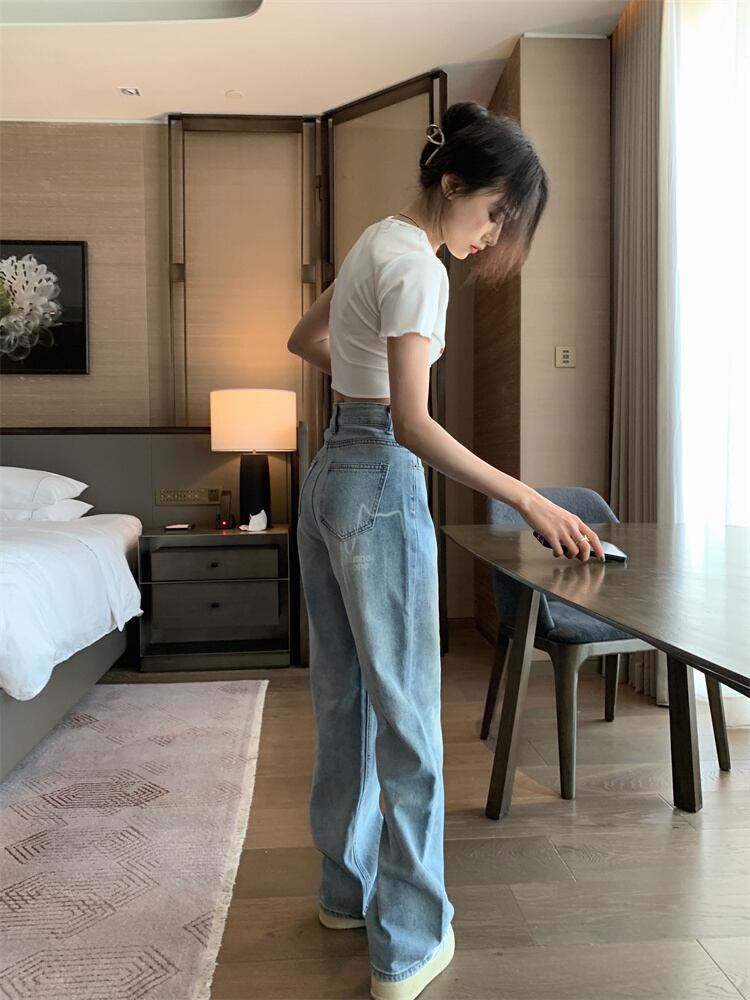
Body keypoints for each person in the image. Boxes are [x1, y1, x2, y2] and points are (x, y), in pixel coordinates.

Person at [288, 101, 605, 1000]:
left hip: (328, 477)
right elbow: (416, 427)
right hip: (381, 483)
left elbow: (303, 339)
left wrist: (367, 389)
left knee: (346, 700)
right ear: (453, 183)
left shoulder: (373, 242)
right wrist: (529, 497)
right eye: (495, 212)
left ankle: (345, 895)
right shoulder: (420, 269)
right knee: (409, 714)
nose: (494, 234)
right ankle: (408, 943)